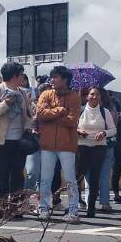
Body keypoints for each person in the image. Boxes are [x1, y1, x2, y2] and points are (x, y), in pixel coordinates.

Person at [0, 62, 33, 219]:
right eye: (20, 75)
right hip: (1, 140)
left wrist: (29, 126)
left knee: (18, 174)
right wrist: (5, 104)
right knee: (2, 175)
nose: (22, 78)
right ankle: (4, 206)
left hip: (19, 141)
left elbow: (28, 115)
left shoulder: (23, 92)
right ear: (14, 76)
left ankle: (16, 208)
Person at [36, 66, 81, 223]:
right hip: (47, 144)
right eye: (52, 77)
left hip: (67, 145)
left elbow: (72, 120)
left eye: (56, 77)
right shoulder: (45, 94)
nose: (52, 80)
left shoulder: (75, 97)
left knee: (70, 179)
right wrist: (60, 110)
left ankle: (74, 210)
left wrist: (51, 116)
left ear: (65, 79)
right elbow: (40, 114)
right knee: (45, 178)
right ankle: (44, 208)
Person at [77, 87, 117, 218]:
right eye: (92, 94)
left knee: (94, 179)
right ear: (87, 96)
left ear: (100, 97)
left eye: (97, 94)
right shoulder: (80, 110)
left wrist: (104, 133)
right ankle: (75, 203)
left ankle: (91, 207)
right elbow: (71, 127)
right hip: (82, 147)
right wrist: (78, 132)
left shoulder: (105, 112)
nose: (94, 96)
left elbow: (113, 130)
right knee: (77, 177)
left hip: (99, 148)